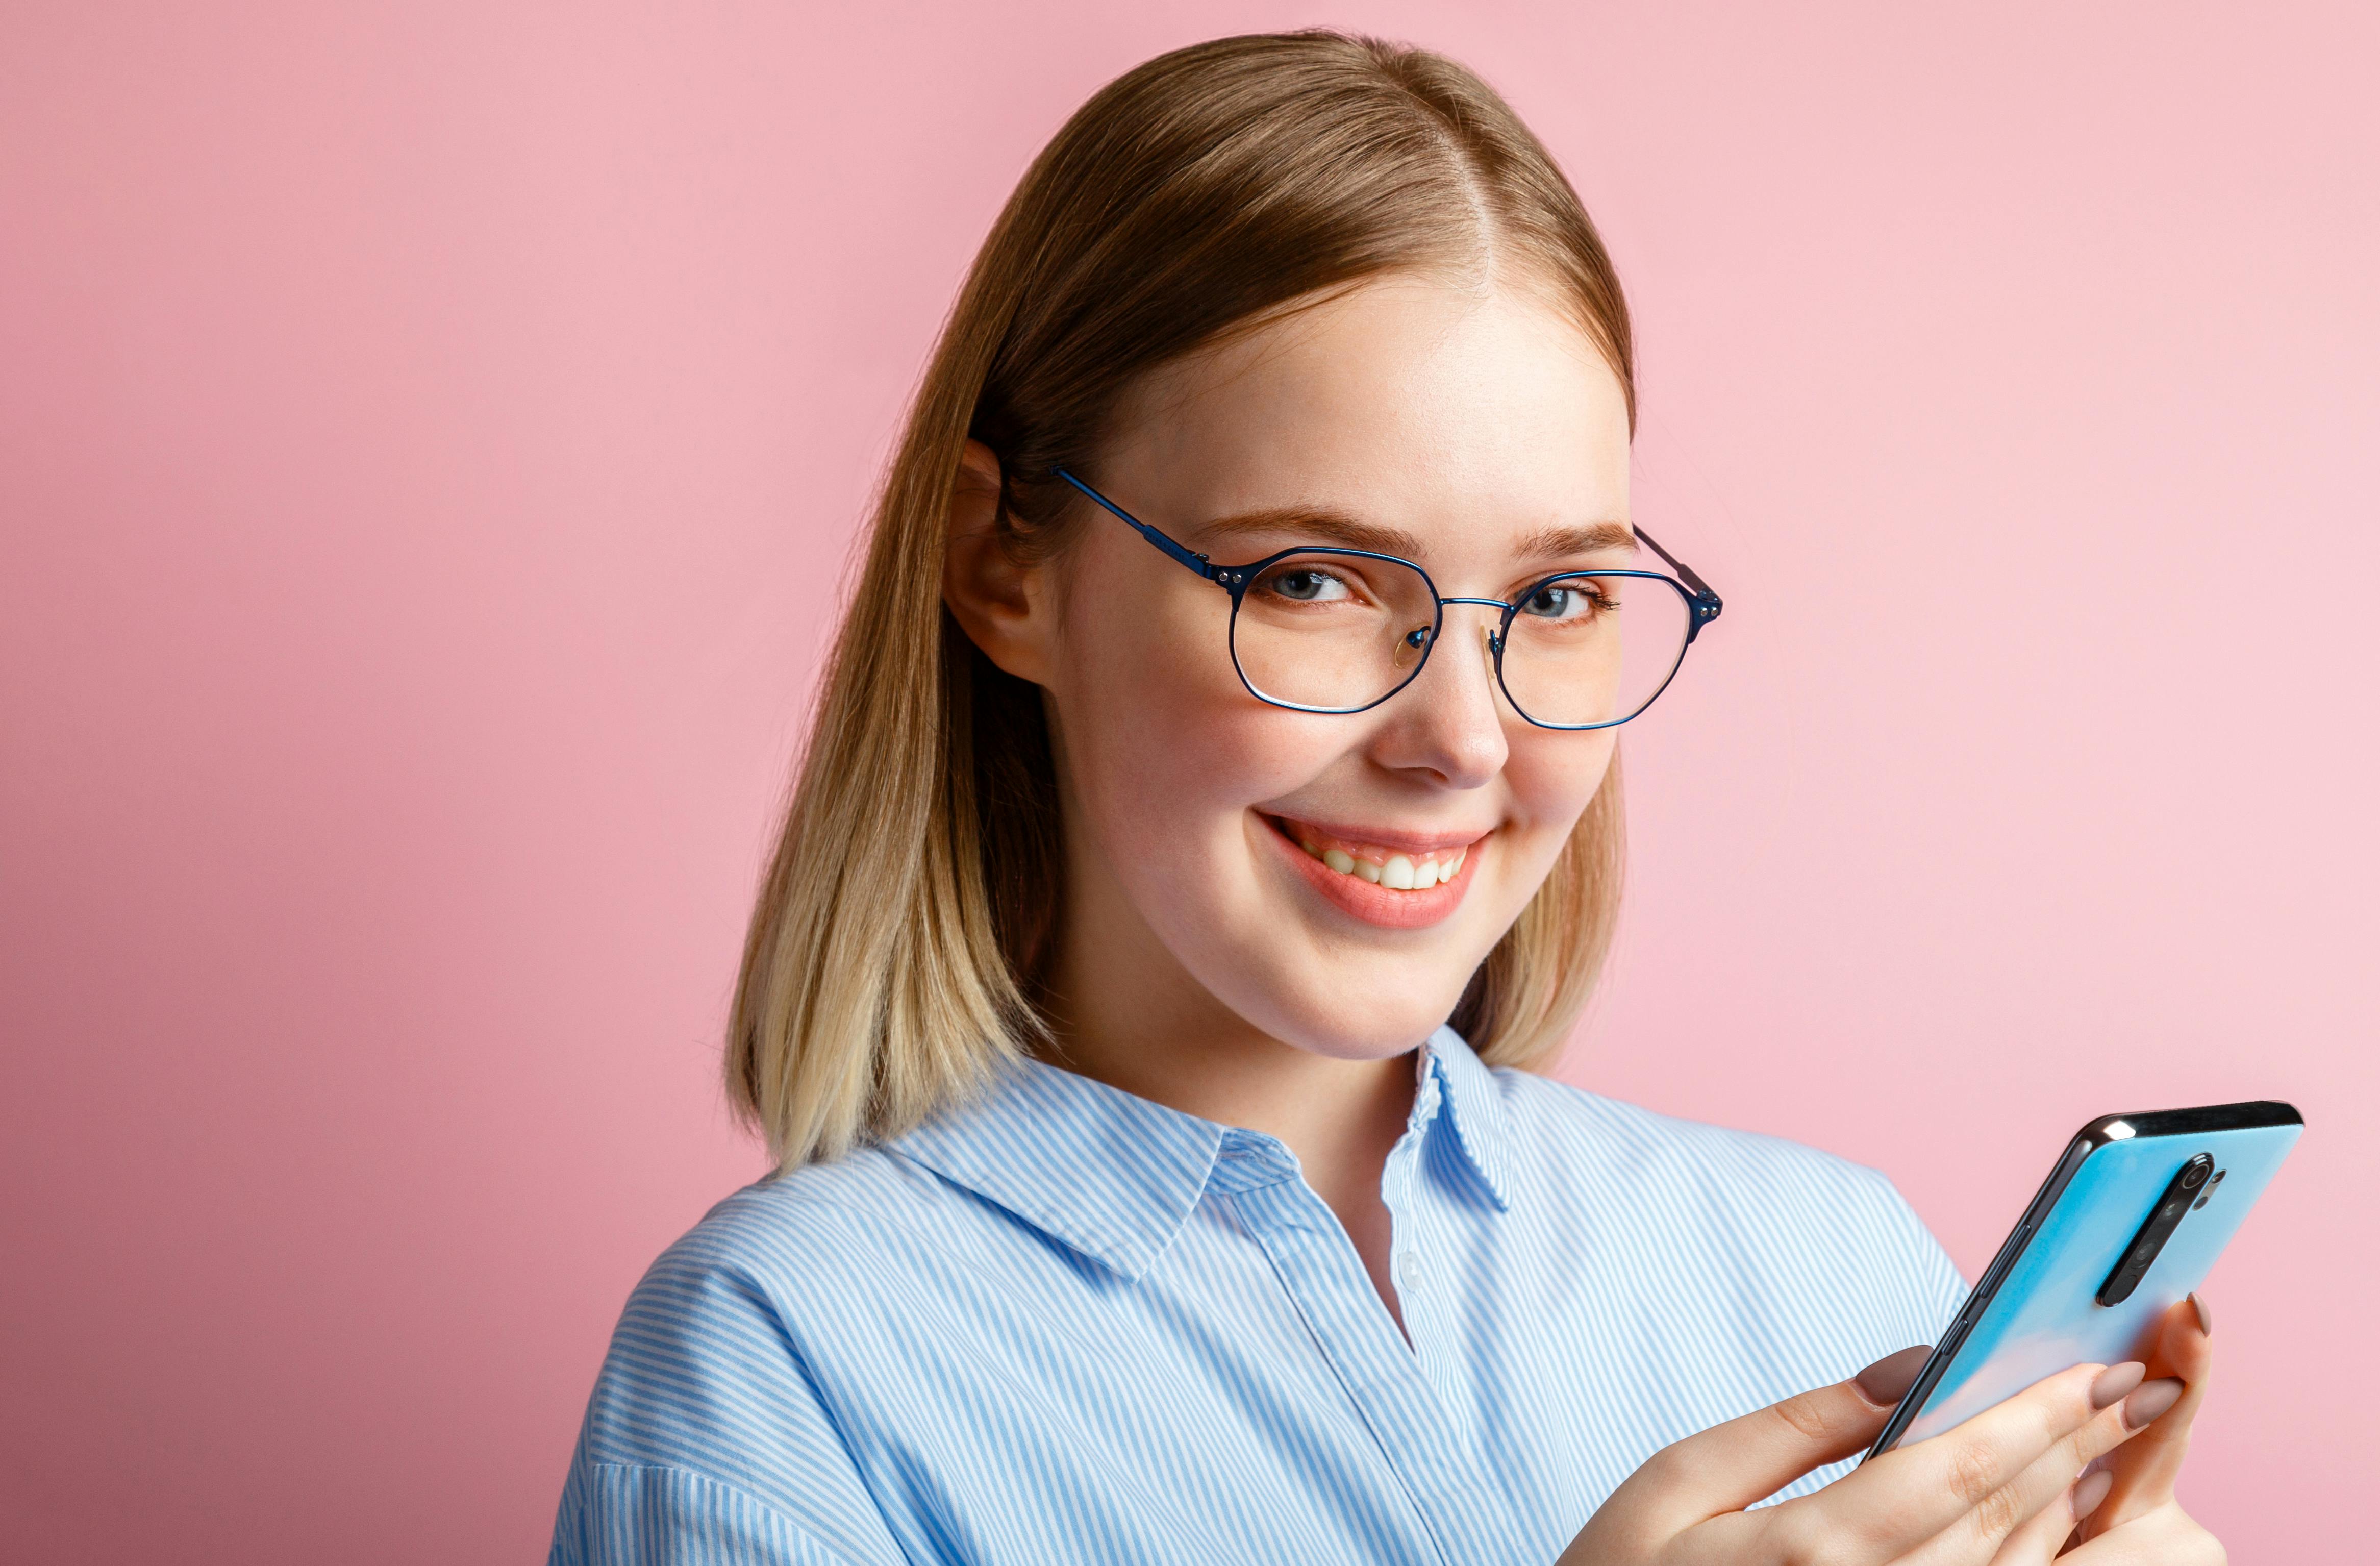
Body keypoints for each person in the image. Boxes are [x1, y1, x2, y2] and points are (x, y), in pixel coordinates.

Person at [552, 31, 2223, 1566]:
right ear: (1006, 564)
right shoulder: (786, 1385)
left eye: (1559, 603)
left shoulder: (1829, 1266)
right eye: (1314, 581)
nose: (1465, 740)